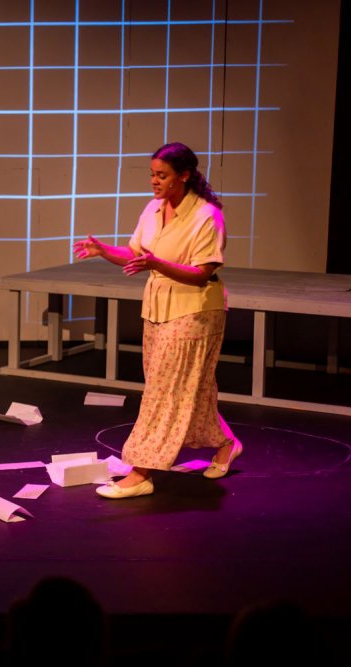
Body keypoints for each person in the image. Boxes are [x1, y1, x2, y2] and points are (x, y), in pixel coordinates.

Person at [73, 142, 243, 499]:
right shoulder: (153, 208)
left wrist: (157, 264)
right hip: (156, 309)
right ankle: (226, 444)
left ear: (184, 176)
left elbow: (202, 272)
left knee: (163, 394)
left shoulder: (207, 216)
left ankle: (141, 472)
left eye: (162, 175)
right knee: (185, 390)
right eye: (152, 174)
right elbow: (136, 255)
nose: (154, 181)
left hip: (195, 311)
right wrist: (104, 251)